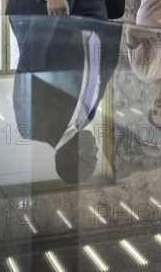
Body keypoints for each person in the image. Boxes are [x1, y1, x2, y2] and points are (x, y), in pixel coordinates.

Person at [11, 15, 122, 183]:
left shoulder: (33, 128)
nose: (97, 149)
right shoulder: (86, 119)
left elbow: (29, 66)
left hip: (59, 16)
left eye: (93, 156)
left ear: (74, 159)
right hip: (97, 20)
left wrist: (50, 18)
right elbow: (100, 76)